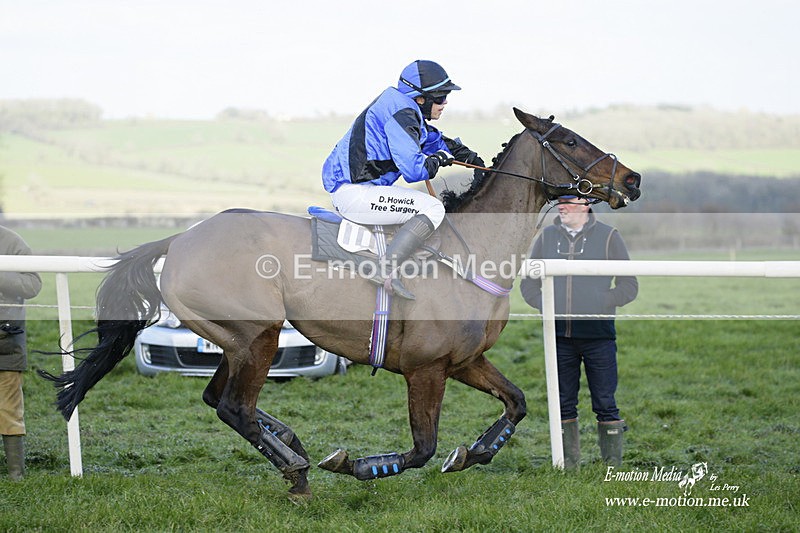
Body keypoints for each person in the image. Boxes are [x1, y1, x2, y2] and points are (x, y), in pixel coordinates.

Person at [322, 59, 484, 300]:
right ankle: (384, 269)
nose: (445, 103)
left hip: (357, 189)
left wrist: (471, 159)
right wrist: (438, 160)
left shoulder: (402, 107)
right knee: (432, 208)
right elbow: (414, 171)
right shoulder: (402, 113)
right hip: (355, 194)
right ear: (421, 98)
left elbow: (432, 139)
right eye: (440, 97)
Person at [521, 196, 638, 468]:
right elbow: (528, 284)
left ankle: (612, 468)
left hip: (599, 337)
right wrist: (547, 306)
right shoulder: (547, 237)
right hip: (559, 338)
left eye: (568, 201)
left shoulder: (610, 237)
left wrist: (599, 302)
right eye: (559, 201)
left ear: (585, 203)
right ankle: (567, 467)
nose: (561, 206)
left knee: (606, 403)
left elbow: (629, 286)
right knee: (562, 403)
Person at [0, 225, 42, 480]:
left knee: (9, 410)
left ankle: (16, 474)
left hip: (6, 342)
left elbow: (33, 285)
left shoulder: (12, 242)